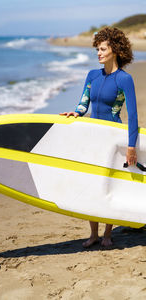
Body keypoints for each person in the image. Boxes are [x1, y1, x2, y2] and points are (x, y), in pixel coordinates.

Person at [60, 27, 138, 247]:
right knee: (91, 185)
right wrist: (75, 112)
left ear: (115, 50)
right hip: (92, 136)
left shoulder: (124, 79)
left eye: (103, 49)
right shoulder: (93, 75)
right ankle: (93, 234)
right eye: (98, 49)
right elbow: (84, 102)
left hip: (112, 136)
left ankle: (107, 234)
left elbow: (132, 116)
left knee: (108, 184)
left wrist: (131, 146)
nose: (99, 53)